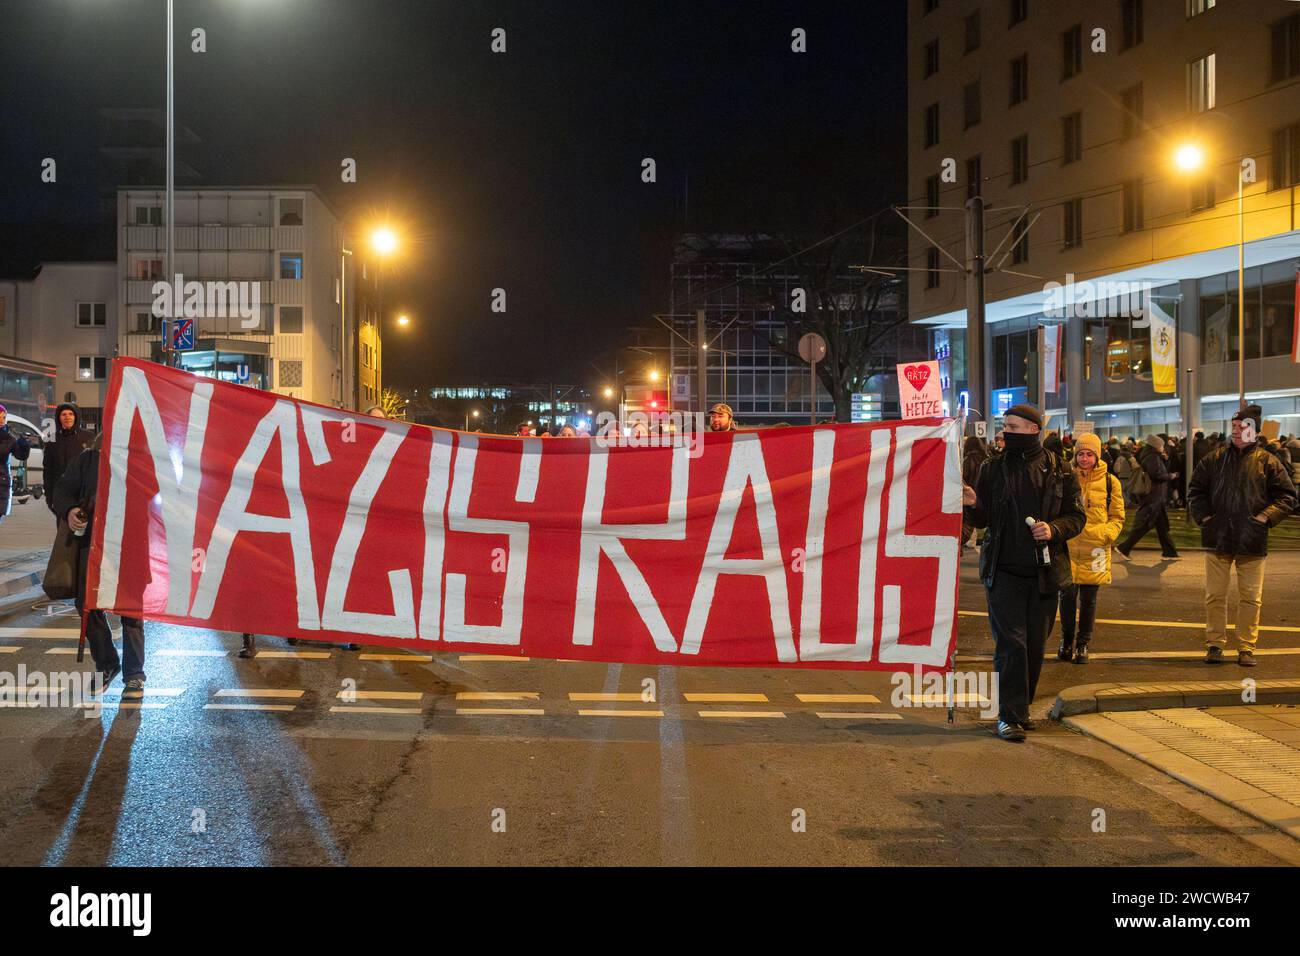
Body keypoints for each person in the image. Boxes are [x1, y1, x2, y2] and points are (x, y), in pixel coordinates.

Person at [962, 403, 1085, 742]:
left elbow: (1077, 518)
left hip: (1045, 573)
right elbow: (983, 518)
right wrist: (974, 503)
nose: (1005, 432)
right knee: (1011, 644)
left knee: (1033, 645)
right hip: (1003, 571)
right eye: (1005, 426)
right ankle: (1010, 716)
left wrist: (1054, 529)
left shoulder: (1060, 470)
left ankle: (1021, 709)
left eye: (1013, 426)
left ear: (1033, 430)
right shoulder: (992, 467)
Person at [1188, 404, 1297, 667]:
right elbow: (1195, 491)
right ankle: (1214, 644)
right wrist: (1205, 519)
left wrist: (1263, 518)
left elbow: (1287, 497)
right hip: (1219, 539)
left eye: (1242, 427)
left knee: (1250, 598)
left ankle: (1246, 647)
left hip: (1252, 539)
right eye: (1234, 426)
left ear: (1254, 431)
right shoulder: (1214, 459)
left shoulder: (1268, 461)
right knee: (1215, 595)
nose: (1236, 431)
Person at [52, 438, 148, 697]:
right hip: (92, 545)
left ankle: (134, 673)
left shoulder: (145, 457)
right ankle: (107, 663)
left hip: (132, 545)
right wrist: (70, 510)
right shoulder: (89, 458)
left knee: (131, 610)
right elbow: (61, 491)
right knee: (87, 604)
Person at [1056, 433, 1125, 664]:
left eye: (1089, 454)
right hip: (1069, 544)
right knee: (1066, 596)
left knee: (1089, 599)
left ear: (1097, 456)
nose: (1085, 459)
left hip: (1096, 547)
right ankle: (1066, 641)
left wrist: (1107, 534)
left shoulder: (1110, 481)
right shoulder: (1067, 477)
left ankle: (1083, 644)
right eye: (1080, 454)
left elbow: (1117, 516)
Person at [1117, 434, 1179, 558]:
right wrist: (1171, 476)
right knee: (1145, 525)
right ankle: (1124, 547)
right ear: (1156, 446)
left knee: (1162, 527)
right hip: (1154, 496)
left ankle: (1169, 551)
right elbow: (1157, 475)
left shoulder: (1153, 456)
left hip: (1156, 497)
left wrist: (1165, 460)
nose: (1163, 447)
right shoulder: (1152, 458)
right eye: (1161, 445)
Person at [43, 403, 95, 523]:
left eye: (71, 414)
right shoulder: (52, 439)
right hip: (61, 494)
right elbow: (48, 470)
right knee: (63, 534)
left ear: (76, 416)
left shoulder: (89, 437)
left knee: (84, 533)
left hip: (84, 494)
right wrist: (49, 497)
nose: (67, 417)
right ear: (58, 418)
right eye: (64, 414)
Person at [0, 404, 31, 525]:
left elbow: (21, 455)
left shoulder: (9, 438)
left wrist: (24, 445)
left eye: (4, 417)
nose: (2, 420)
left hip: (2, 482)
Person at [960, 435, 990, 549]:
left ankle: (969, 541)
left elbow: (964, 479)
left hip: (969, 496)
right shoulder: (986, 459)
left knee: (969, 520)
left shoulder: (966, 461)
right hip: (984, 495)